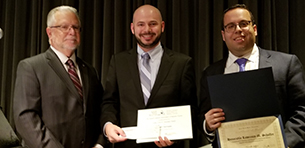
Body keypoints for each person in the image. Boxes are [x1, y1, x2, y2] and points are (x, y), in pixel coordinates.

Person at [198, 4, 305, 148]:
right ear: (223, 35)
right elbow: (202, 115)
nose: (238, 30)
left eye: (243, 24)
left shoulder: (286, 64)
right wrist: (208, 125)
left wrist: (285, 143)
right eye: (230, 26)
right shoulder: (210, 73)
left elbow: (302, 109)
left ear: (254, 29)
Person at [101, 4, 197, 148]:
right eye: (141, 24)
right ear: (132, 28)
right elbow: (109, 102)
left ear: (162, 26)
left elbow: (190, 108)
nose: (147, 30)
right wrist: (108, 125)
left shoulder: (182, 63)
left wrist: (177, 136)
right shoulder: (118, 62)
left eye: (153, 24)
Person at [13, 6, 106, 148]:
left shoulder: (89, 71)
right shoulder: (31, 67)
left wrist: (100, 144)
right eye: (64, 27)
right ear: (49, 32)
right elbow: (26, 119)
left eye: (76, 27)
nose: (72, 32)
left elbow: (101, 112)